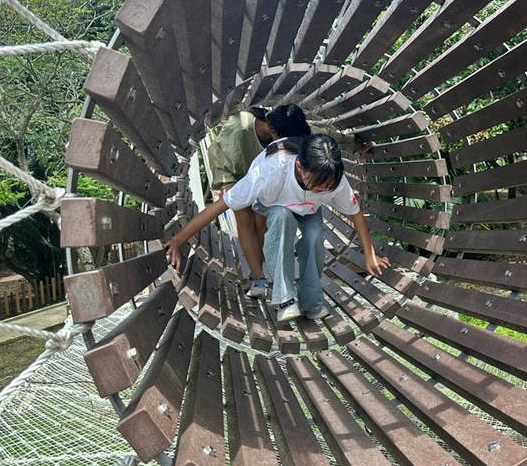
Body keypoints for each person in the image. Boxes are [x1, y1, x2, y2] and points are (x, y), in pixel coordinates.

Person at [166, 134, 390, 323]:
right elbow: (217, 207)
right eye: (319, 183)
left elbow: (356, 214)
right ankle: (285, 299)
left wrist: (370, 256)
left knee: (314, 237)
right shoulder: (269, 174)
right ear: (300, 167)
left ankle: (312, 302)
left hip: (309, 209)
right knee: (283, 219)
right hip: (272, 203)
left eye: (329, 185)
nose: (324, 188)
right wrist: (177, 241)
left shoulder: (334, 180)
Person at [205, 105, 311, 299]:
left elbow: (322, 133)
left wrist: (356, 143)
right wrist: (224, 184)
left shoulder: (286, 129)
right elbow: (220, 153)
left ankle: (261, 273)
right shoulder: (241, 124)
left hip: (259, 175)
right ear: (273, 131)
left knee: (260, 222)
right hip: (230, 171)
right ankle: (258, 278)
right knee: (244, 220)